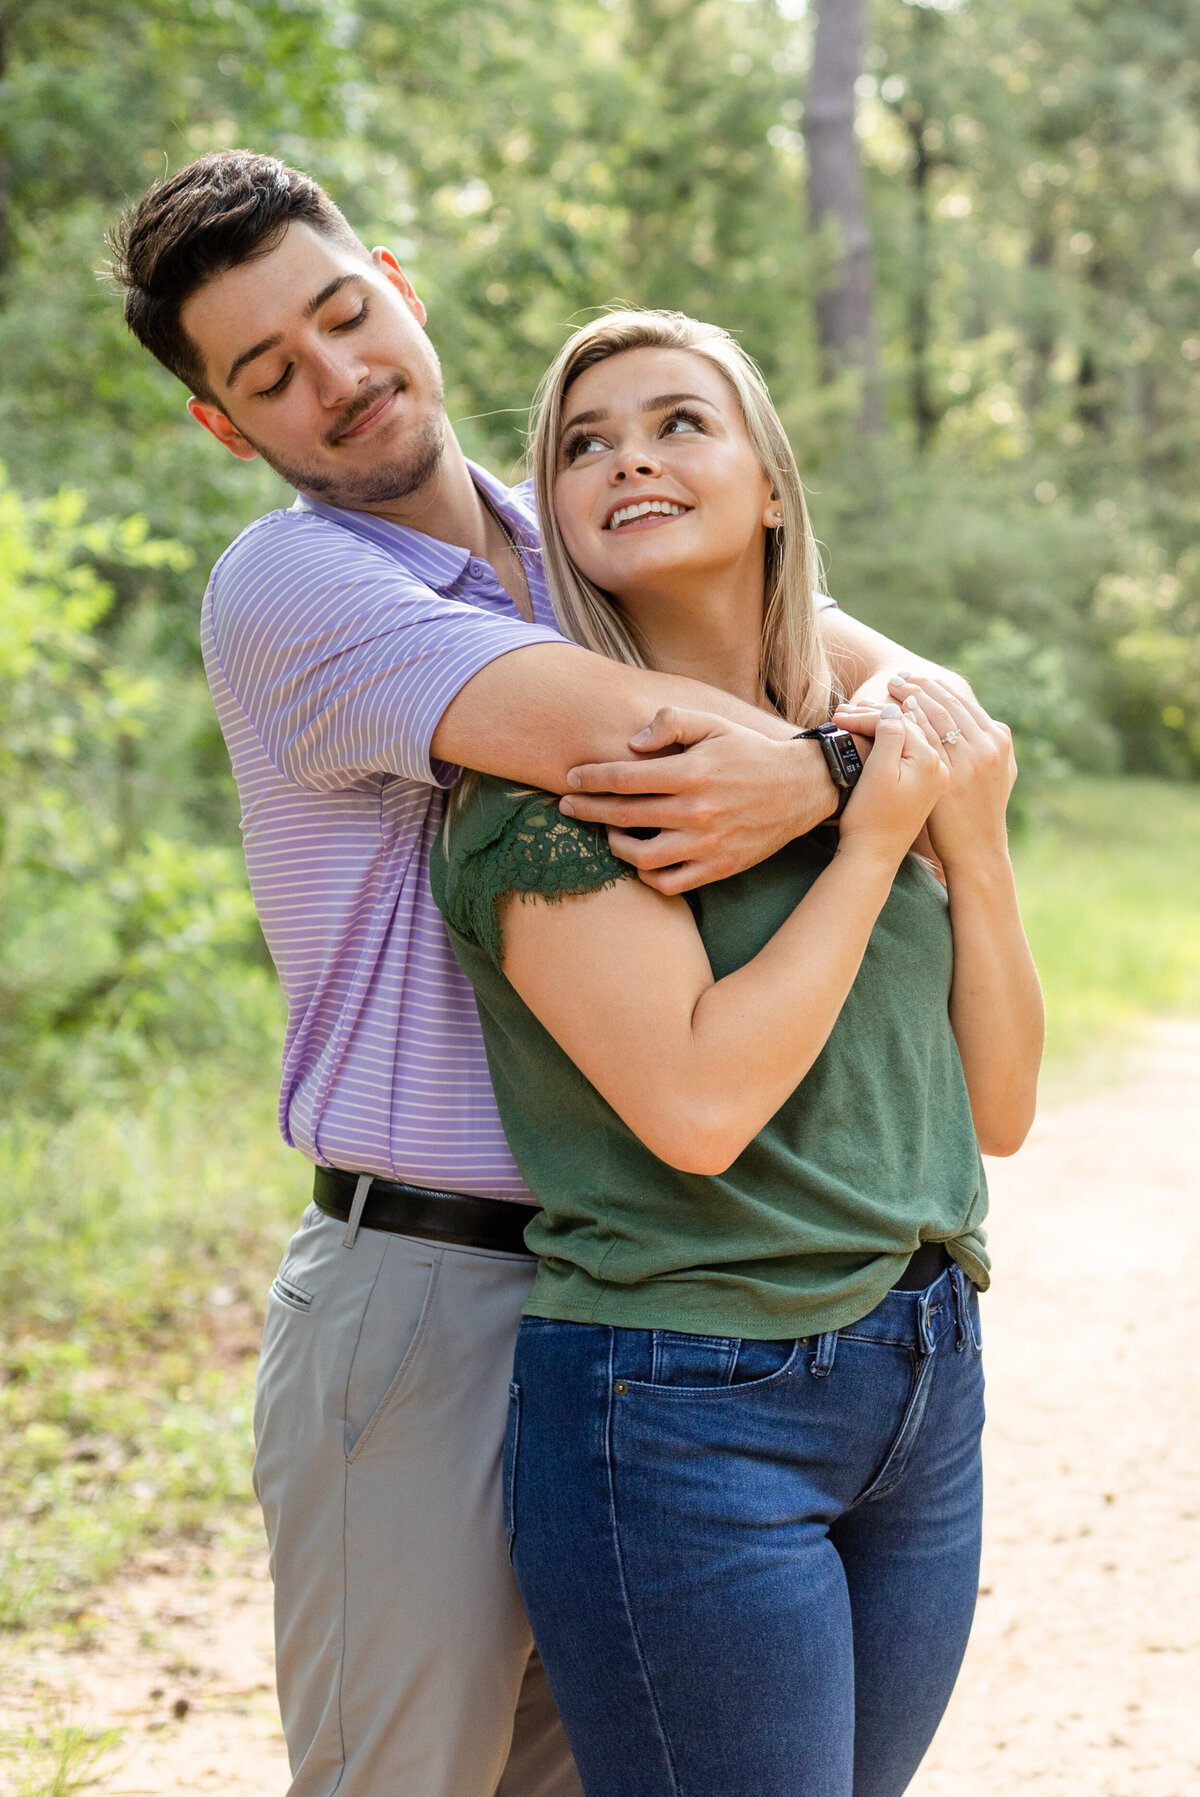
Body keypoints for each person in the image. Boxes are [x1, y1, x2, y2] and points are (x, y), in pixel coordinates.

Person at [109, 151, 978, 1797]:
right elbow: (645, 732)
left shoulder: (568, 534)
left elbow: (946, 708)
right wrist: (856, 778)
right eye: (270, 375)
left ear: (400, 290)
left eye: (344, 317)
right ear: (230, 427)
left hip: (638, 1298)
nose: (338, 379)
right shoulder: (297, 586)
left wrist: (879, 754)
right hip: (422, 1295)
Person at [431, 308, 1044, 1797]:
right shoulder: (564, 790)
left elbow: (1005, 1108)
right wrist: (880, 832)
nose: (626, 456)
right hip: (685, 1407)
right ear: (562, 517)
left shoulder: (870, 739)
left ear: (772, 480)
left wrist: (965, 830)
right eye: (584, 445)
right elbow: (700, 1106)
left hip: (921, 1374)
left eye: (676, 421)